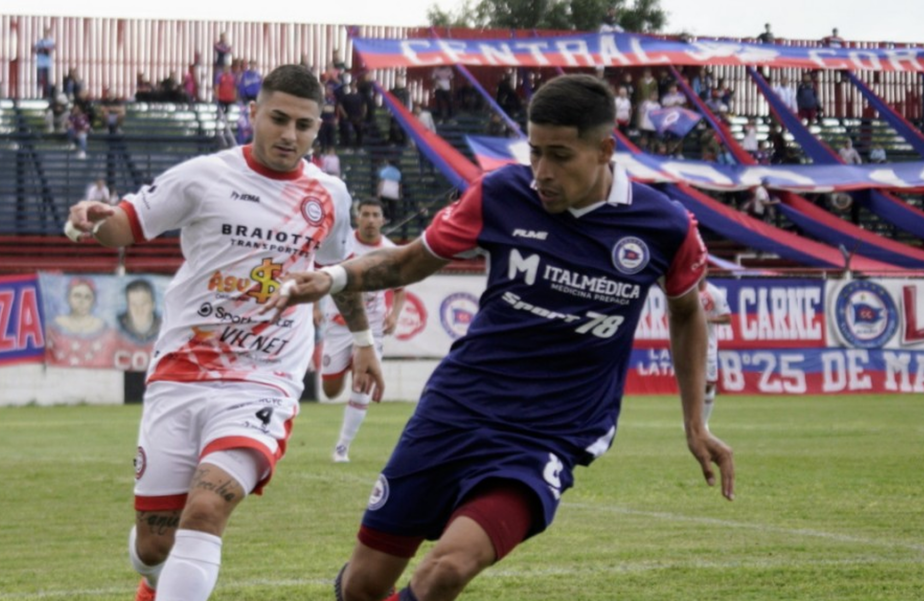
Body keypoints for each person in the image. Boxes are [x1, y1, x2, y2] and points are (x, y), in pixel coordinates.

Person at [266, 73, 734, 601]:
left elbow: (687, 312)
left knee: (445, 570)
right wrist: (335, 278)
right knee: (363, 587)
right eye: (535, 153)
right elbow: (408, 261)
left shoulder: (663, 225)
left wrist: (696, 423)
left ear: (605, 149)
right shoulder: (501, 194)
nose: (542, 173)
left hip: (548, 434)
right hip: (456, 408)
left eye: (560, 156)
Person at [64, 64, 384, 601]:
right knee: (154, 543)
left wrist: (364, 343)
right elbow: (126, 224)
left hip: (266, 377)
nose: (290, 135)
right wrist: (93, 219)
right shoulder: (202, 176)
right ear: (253, 114)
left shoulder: (329, 195)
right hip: (183, 372)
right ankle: (151, 581)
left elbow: (341, 276)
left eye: (304, 126)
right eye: (278, 119)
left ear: (317, 128)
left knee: (208, 508)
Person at [317, 198, 406, 463]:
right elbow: (320, 273)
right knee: (330, 389)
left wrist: (395, 315)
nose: (369, 219)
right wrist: (314, 307)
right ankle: (343, 367)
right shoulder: (342, 243)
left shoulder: (391, 251)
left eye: (375, 215)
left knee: (362, 386)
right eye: (365, 214)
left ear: (382, 220)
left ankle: (342, 448)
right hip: (337, 324)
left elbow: (400, 289)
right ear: (357, 218)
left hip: (373, 327)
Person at [698, 274, 730, 429]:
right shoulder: (685, 292)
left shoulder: (714, 293)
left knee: (709, 385)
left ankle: (703, 423)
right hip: (687, 343)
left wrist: (708, 319)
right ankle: (694, 422)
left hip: (708, 345)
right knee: (692, 384)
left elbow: (727, 318)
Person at [117, 278, 162, 344]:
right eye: (133, 304)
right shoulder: (117, 327)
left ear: (153, 305)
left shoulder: (164, 329)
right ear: (127, 306)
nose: (139, 310)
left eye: (143, 303)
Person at [35, 28, 56, 98]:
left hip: (47, 64)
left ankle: (46, 94)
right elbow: (35, 49)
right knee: (39, 80)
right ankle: (38, 94)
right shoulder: (40, 41)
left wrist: (43, 50)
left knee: (46, 81)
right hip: (40, 64)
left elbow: (50, 50)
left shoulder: (51, 41)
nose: (45, 33)